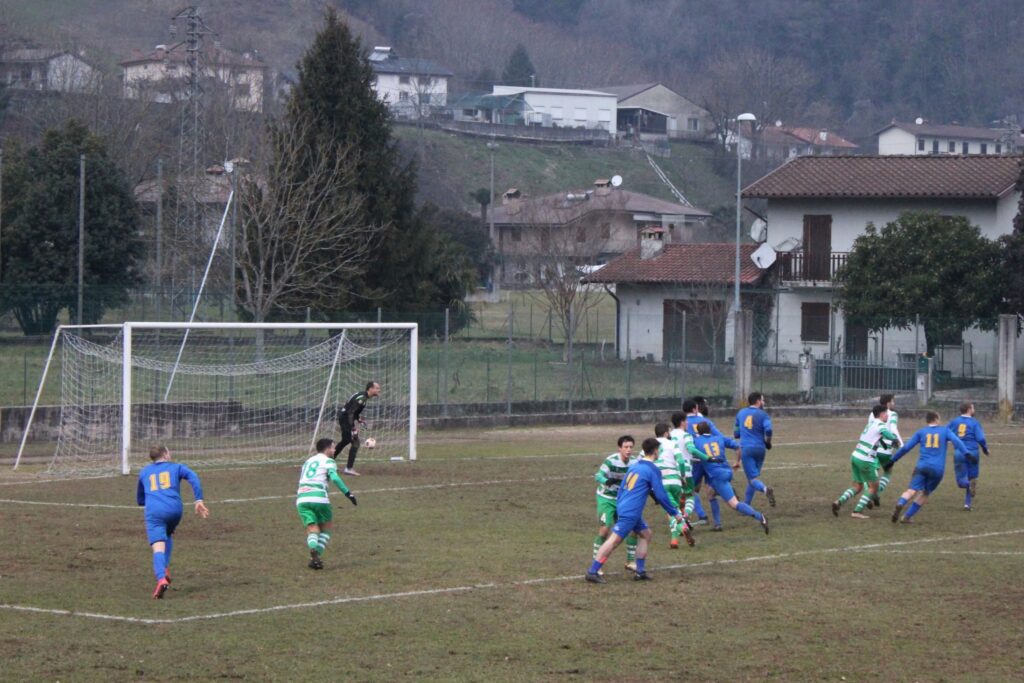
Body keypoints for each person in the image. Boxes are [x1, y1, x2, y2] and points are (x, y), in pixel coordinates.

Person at [585, 437, 688, 583]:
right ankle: (592, 571)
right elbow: (661, 495)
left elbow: (622, 488)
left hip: (625, 507)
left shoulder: (635, 465)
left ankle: (640, 571)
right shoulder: (653, 469)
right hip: (631, 511)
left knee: (646, 534)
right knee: (614, 540)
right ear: (656, 451)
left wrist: (621, 505)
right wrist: (674, 513)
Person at [136, 445, 209, 599]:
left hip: (155, 513)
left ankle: (161, 578)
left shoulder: (144, 472)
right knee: (167, 534)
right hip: (175, 511)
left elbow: (140, 500)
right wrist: (198, 499)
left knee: (158, 548)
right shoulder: (177, 467)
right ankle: (166, 569)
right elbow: (193, 477)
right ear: (166, 454)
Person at [692, 422, 770, 534]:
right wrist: (737, 462)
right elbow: (738, 447)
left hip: (717, 476)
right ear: (709, 430)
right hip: (727, 472)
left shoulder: (696, 441)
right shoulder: (719, 437)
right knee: (710, 494)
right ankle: (717, 524)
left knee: (734, 504)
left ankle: (760, 517)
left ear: (698, 432)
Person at [888, 412, 967, 523]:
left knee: (911, 490)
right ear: (936, 419)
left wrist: (893, 460)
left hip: (922, 466)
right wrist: (966, 453)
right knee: (925, 493)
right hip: (937, 469)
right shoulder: (944, 430)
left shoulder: (921, 432)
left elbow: (906, 447)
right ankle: (907, 517)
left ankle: (901, 502)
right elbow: (957, 441)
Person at [297, 438, 358, 569]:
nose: (335, 449)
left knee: (312, 528)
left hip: (301, 498)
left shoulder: (308, 461)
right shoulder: (329, 461)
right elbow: (335, 478)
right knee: (326, 529)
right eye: (333, 447)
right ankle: (317, 553)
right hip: (319, 498)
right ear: (327, 448)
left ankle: (313, 550)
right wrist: (348, 494)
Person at [831, 405, 898, 519]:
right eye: (886, 413)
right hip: (865, 459)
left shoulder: (871, 424)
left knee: (857, 486)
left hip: (855, 456)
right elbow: (885, 433)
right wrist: (894, 438)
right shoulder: (880, 424)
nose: (887, 415)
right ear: (881, 414)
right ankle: (857, 511)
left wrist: (888, 444)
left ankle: (839, 502)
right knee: (874, 487)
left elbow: (878, 440)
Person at [593, 436, 639, 572]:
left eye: (631, 447)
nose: (629, 450)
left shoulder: (635, 463)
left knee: (633, 529)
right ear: (620, 448)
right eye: (626, 447)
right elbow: (598, 475)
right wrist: (607, 481)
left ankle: (630, 562)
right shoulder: (611, 460)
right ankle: (597, 564)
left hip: (623, 500)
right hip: (606, 498)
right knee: (604, 530)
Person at [655, 423, 695, 549]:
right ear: (666, 433)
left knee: (671, 511)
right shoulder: (672, 444)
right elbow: (681, 461)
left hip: (661, 482)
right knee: (675, 508)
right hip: (675, 481)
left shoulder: (650, 444)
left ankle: (682, 526)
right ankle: (674, 540)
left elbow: (641, 461)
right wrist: (682, 476)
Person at [684, 398, 723, 529]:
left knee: (691, 490)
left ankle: (702, 516)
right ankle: (717, 523)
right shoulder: (705, 421)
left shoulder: (684, 423)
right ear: (695, 409)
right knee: (711, 491)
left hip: (695, 460)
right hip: (709, 458)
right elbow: (719, 436)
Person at [734, 392, 776, 508]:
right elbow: (768, 430)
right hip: (760, 449)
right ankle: (746, 504)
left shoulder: (740, 413)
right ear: (757, 401)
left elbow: (736, 433)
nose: (763, 402)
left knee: (752, 479)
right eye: (762, 400)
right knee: (753, 478)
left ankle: (765, 489)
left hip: (746, 449)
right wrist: (768, 442)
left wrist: (744, 432)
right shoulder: (763, 415)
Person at [947, 403, 989, 511]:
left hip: (959, 453)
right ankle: (968, 498)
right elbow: (981, 439)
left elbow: (945, 433)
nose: (974, 410)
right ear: (969, 409)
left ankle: (967, 503)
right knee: (972, 479)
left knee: (961, 482)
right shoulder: (975, 423)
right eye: (973, 408)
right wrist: (985, 449)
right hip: (973, 453)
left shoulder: (954, 421)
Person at [670, 411, 708, 524]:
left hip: (671, 472)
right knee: (690, 495)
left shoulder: (669, 435)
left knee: (677, 498)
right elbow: (691, 449)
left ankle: (679, 520)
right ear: (682, 422)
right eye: (686, 421)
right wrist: (707, 457)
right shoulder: (686, 435)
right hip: (685, 471)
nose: (687, 423)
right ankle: (686, 516)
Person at [336, 381, 381, 476]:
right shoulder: (362, 398)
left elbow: (353, 411)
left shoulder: (363, 396)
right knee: (355, 442)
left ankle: (328, 462)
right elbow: (350, 413)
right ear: (370, 389)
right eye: (377, 388)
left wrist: (359, 419)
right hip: (345, 419)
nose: (378, 390)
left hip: (344, 417)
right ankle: (348, 468)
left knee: (345, 441)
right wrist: (353, 428)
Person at [872, 394, 904, 505]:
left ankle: (869, 493)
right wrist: (901, 444)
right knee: (888, 472)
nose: (894, 404)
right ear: (888, 403)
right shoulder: (893, 414)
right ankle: (876, 492)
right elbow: (893, 429)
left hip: (873, 447)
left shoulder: (873, 413)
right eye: (893, 401)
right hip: (886, 448)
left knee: (872, 472)